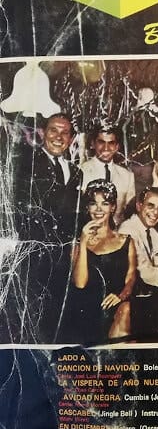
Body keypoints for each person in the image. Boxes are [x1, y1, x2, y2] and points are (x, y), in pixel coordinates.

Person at [12, 114, 82, 343]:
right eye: (54, 130)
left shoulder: (76, 172)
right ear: (42, 133)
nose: (59, 137)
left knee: (57, 316)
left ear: (71, 138)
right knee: (30, 319)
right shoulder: (26, 164)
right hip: (34, 255)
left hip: (63, 257)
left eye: (65, 133)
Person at [71, 180, 137, 342]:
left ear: (113, 207)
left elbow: (131, 278)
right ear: (88, 208)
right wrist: (83, 242)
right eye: (93, 203)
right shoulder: (77, 244)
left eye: (105, 203)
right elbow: (80, 283)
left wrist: (121, 296)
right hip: (86, 312)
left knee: (126, 310)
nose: (99, 209)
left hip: (116, 307)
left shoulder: (126, 241)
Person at [118, 186, 158, 337]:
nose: (156, 212)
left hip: (147, 297)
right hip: (129, 300)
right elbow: (143, 270)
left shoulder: (155, 234)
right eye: (150, 206)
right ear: (139, 206)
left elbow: (156, 264)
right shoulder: (127, 229)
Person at [80, 126, 135, 227]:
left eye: (111, 143)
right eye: (101, 142)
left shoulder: (127, 176)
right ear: (93, 144)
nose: (106, 148)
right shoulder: (81, 171)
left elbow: (129, 213)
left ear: (117, 147)